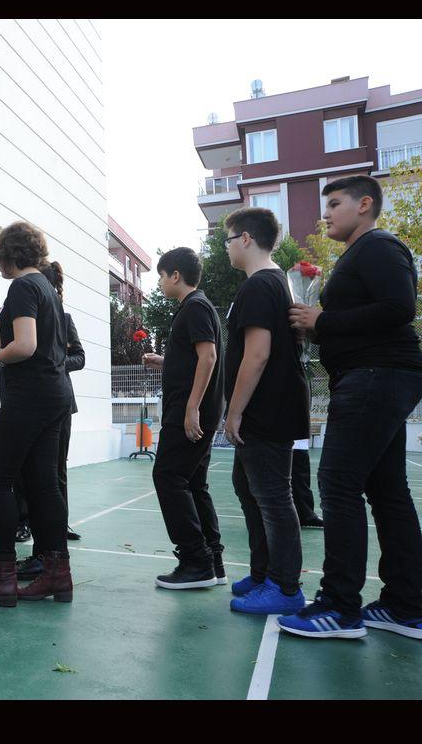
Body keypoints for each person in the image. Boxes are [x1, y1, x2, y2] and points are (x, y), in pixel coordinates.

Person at [280, 175, 422, 640]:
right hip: (377, 376)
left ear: (364, 204)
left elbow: (399, 308)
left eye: (334, 204)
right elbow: (364, 316)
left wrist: (323, 320)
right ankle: (406, 605)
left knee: (338, 483)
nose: (325, 214)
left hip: (375, 376)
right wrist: (317, 325)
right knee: (388, 490)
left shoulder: (379, 246)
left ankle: (340, 607)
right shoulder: (358, 254)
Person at [0, 222, 73, 606]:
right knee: (44, 484)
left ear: (10, 254)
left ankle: (2, 576)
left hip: (29, 397)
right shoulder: (47, 287)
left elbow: (25, 346)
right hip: (54, 394)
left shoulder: (23, 286)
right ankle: (57, 574)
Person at [222, 207, 309, 616]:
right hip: (271, 407)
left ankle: (285, 587)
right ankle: (264, 574)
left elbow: (256, 355)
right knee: (249, 488)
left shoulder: (259, 286)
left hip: (265, 410)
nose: (226, 248)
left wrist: (234, 412)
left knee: (272, 497)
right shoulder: (277, 283)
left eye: (227, 240)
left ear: (245, 239)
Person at [141, 247, 226, 590]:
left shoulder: (194, 307)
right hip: (194, 408)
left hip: (188, 412)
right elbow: (196, 357)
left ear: (175, 275)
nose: (160, 282)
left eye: (161, 276)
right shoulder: (195, 307)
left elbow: (209, 357)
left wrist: (192, 408)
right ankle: (213, 560)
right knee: (193, 483)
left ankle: (195, 561)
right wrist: (166, 362)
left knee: (168, 476)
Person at [16, 261, 86, 581]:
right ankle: (29, 527)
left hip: (58, 402)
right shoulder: (24, 315)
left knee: (55, 471)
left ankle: (56, 532)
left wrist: (54, 362)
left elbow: (79, 357)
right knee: (30, 471)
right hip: (32, 401)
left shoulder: (64, 319)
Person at [291, 439, 324, 529]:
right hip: (295, 444)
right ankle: (304, 514)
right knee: (298, 479)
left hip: (295, 444)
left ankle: (303, 514)